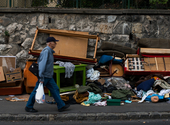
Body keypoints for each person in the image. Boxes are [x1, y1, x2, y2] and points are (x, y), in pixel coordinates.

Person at [25, 37, 70, 112]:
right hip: (44, 76)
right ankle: (28, 106)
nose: (56, 43)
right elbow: (42, 65)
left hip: (48, 76)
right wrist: (41, 77)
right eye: (54, 42)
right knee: (36, 91)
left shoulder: (49, 51)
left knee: (55, 89)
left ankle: (61, 105)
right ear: (49, 43)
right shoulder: (46, 51)